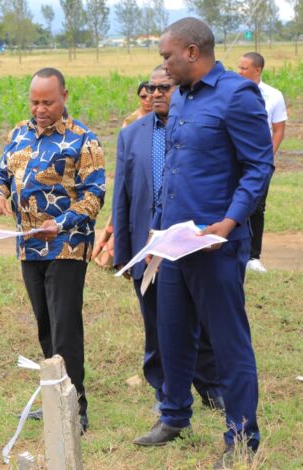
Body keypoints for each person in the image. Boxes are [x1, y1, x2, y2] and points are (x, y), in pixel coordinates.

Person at [132, 18, 273, 468]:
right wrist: (157, 232)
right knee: (172, 335)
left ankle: (242, 436)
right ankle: (174, 416)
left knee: (228, 343)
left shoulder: (237, 95)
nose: (163, 66)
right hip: (174, 245)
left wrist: (228, 224)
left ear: (192, 52)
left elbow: (259, 167)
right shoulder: (181, 97)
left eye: (167, 56)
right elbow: (173, 172)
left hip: (216, 247)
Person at [0, 67, 106, 432]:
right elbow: (0, 174)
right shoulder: (19, 134)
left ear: (64, 97)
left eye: (48, 102)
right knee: (45, 325)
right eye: (35, 102)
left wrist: (62, 223)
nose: (40, 109)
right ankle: (55, 397)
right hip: (29, 246)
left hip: (66, 246)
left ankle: (75, 406)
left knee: (65, 326)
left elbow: (94, 195)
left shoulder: (83, 140)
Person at [112, 66, 224, 416]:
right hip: (146, 245)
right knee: (156, 321)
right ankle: (163, 389)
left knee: (199, 320)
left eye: (165, 87)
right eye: (151, 87)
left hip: (189, 240)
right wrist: (123, 252)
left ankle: (210, 386)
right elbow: (122, 196)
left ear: (182, 89)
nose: (156, 93)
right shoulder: (131, 135)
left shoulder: (197, 129)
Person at [238, 51, 288, 273]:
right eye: (238, 67)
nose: (239, 71)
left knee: (256, 207)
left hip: (259, 161)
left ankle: (253, 256)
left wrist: (267, 157)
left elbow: (278, 129)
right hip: (235, 158)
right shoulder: (232, 92)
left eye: (244, 68)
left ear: (257, 70)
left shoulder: (274, 96)